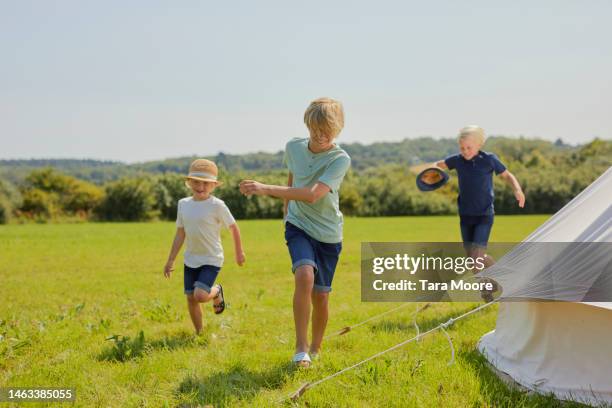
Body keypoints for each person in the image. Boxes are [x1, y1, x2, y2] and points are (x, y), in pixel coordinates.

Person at [239, 97, 351, 367]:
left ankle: (315, 347)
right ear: (308, 125)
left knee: (321, 296)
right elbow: (293, 178)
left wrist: (266, 188)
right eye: (315, 129)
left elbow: (313, 194)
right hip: (298, 225)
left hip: (328, 234)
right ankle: (300, 349)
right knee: (303, 276)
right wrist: (287, 213)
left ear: (337, 130)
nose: (320, 136)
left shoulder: (340, 159)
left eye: (327, 131)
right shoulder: (293, 147)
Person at [164, 159, 245, 334]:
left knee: (199, 295)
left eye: (206, 183)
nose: (200, 186)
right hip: (191, 258)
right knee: (191, 299)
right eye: (196, 182)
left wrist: (239, 252)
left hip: (211, 258)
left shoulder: (217, 205)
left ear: (214, 185)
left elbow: (233, 227)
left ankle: (216, 291)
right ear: (189, 182)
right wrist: (170, 260)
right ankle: (200, 333)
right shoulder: (183, 204)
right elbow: (180, 233)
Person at [435, 125, 525, 267]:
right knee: (472, 260)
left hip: (484, 214)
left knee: (477, 258)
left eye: (469, 148)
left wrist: (517, 190)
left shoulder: (488, 159)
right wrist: (431, 173)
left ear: (479, 144)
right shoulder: (457, 160)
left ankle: (486, 288)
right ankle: (496, 276)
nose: (465, 151)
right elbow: (439, 165)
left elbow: (507, 175)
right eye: (462, 148)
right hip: (465, 215)